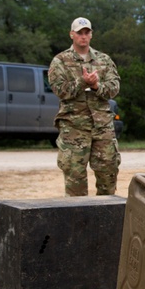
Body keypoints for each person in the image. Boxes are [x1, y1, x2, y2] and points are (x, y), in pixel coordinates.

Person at [48, 17, 121, 196]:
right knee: (75, 178)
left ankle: (106, 217)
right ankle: (78, 220)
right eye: (79, 32)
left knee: (108, 173)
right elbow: (60, 90)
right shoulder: (60, 61)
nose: (83, 36)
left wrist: (97, 86)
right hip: (74, 127)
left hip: (102, 126)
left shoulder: (103, 60)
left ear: (91, 35)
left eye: (86, 32)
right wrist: (82, 82)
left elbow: (114, 88)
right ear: (71, 34)